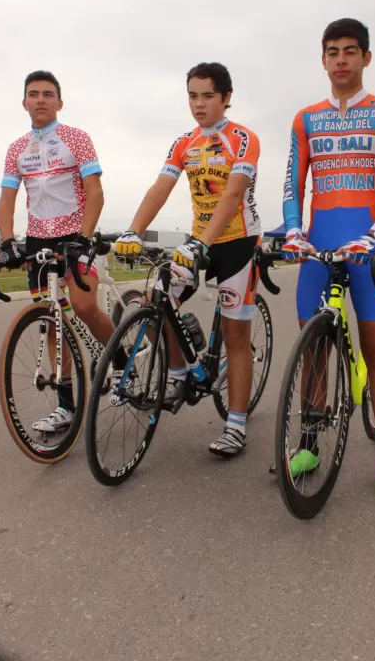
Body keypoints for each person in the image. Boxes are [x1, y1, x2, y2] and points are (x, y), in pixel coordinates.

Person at [277, 18, 375, 497]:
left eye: (350, 51)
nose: (340, 59)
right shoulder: (305, 118)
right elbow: (294, 184)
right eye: (332, 51)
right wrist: (294, 229)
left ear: (366, 58)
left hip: (368, 249)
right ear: (323, 59)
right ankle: (310, 441)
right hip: (319, 247)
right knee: (314, 349)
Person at [115, 62, 261, 457]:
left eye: (207, 96)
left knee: (235, 337)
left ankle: (235, 425)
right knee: (156, 298)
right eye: (192, 96)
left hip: (236, 244)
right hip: (200, 241)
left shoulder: (243, 139)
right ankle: (178, 373)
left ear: (226, 98)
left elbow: (232, 196)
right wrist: (133, 230)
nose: (198, 104)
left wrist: (203, 245)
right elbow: (161, 187)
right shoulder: (184, 142)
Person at [0, 70, 123, 433]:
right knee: (51, 323)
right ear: (24, 102)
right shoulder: (16, 150)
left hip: (75, 234)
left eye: (47, 94)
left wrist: (84, 236)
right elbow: (7, 200)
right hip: (38, 239)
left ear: (59, 102)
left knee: (84, 307)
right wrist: (7, 243)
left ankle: (121, 360)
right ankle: (66, 406)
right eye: (33, 94)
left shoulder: (76, 139)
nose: (40, 99)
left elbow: (95, 192)